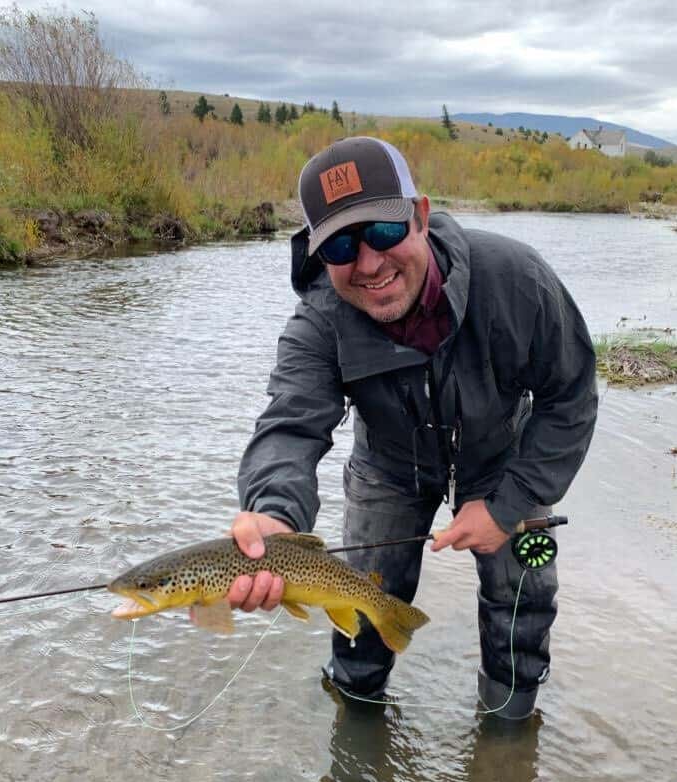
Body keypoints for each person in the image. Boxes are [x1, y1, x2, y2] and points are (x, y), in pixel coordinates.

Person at [227, 135, 597, 719]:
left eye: (381, 231)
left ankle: (508, 727)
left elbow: (571, 397)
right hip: (389, 464)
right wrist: (275, 514)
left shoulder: (516, 280)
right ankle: (357, 721)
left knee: (521, 598)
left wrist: (507, 506)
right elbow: (290, 427)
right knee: (365, 600)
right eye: (343, 246)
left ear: (420, 217)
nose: (369, 263)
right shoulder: (319, 324)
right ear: (318, 255)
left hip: (504, 456)